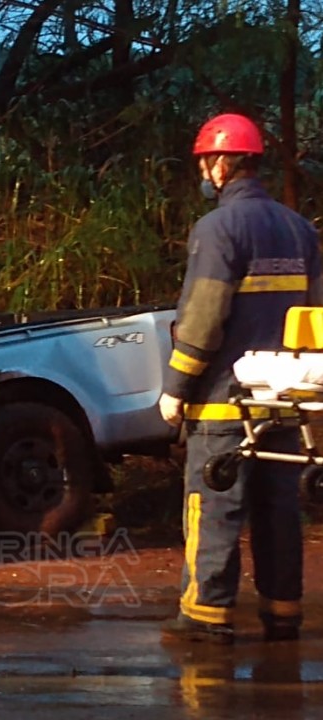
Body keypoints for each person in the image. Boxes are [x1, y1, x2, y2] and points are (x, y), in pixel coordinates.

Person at [158, 112, 323, 644]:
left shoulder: (217, 228)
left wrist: (175, 388)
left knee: (213, 507)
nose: (204, 171)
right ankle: (283, 612)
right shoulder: (299, 228)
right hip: (285, 400)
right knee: (279, 511)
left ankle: (205, 617)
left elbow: (204, 318)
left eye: (207, 162)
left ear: (224, 163)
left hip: (224, 403)